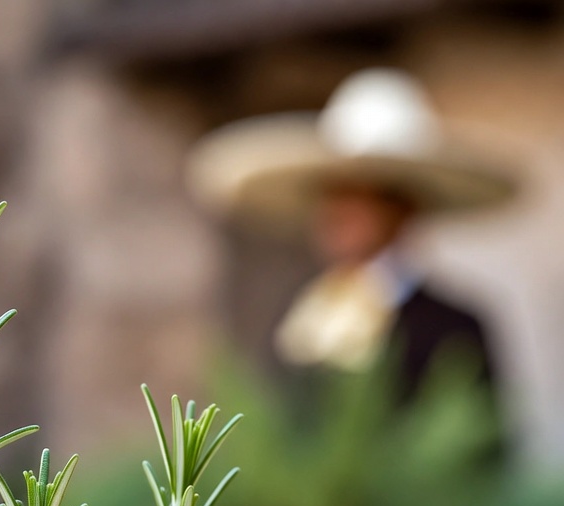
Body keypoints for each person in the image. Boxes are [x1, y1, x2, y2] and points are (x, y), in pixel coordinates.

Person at [186, 68, 520, 398]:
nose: (335, 217)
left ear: (403, 210)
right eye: (331, 198)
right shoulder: (303, 319)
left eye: (356, 201)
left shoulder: (451, 328)